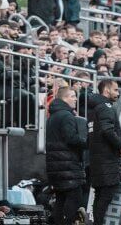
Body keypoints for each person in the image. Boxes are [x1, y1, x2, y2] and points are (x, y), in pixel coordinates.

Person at [45, 85, 86, 225]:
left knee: (61, 200)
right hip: (67, 165)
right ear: (65, 98)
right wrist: (88, 142)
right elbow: (71, 139)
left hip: (56, 166)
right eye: (73, 96)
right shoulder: (67, 115)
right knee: (74, 199)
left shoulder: (53, 116)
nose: (75, 99)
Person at [87, 79, 121, 225]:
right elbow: (107, 130)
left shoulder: (93, 108)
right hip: (106, 158)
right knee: (107, 194)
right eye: (115, 90)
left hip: (96, 157)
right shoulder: (105, 106)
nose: (118, 93)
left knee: (100, 194)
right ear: (107, 90)